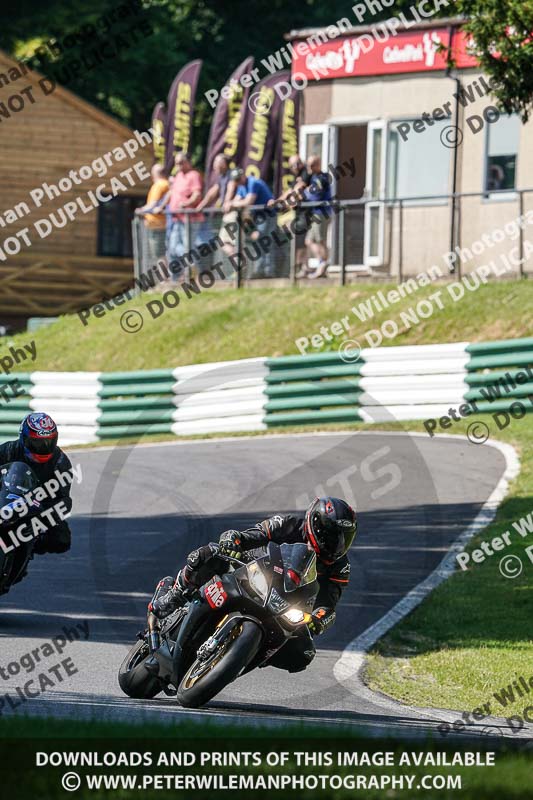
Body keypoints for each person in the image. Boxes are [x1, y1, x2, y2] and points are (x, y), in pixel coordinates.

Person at [150, 496, 356, 674]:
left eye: (344, 538)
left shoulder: (340, 567)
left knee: (303, 653)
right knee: (208, 554)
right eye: (332, 534)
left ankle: (247, 653)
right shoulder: (289, 524)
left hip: (285, 604)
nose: (337, 543)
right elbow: (253, 535)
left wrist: (319, 619)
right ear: (317, 524)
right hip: (252, 571)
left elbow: (329, 602)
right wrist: (234, 540)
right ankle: (175, 594)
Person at [0, 413, 73, 554]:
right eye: (37, 443)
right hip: (6, 500)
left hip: (39, 507)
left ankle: (31, 547)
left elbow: (63, 500)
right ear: (23, 439)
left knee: (61, 540)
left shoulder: (60, 462)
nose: (43, 448)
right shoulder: (7, 451)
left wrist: (41, 521)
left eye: (49, 442)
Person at [228, 168, 275, 278]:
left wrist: (233, 204)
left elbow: (249, 201)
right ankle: (260, 271)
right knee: (259, 241)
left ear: (243, 175)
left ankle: (267, 272)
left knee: (264, 241)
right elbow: (236, 200)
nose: (238, 181)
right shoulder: (241, 186)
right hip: (257, 217)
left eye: (239, 179)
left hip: (267, 215)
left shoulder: (253, 182)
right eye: (236, 180)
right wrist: (233, 203)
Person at [269, 155, 311, 277]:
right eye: (293, 165)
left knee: (302, 242)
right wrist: (276, 201)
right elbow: (289, 192)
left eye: (297, 163)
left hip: (307, 214)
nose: (295, 166)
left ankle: (301, 268)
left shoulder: (305, 174)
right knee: (300, 242)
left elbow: (299, 190)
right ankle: (303, 267)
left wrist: (287, 203)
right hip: (299, 214)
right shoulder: (295, 177)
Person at [167, 152, 206, 280]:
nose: (178, 165)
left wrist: (186, 204)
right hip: (176, 218)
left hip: (190, 219)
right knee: (172, 248)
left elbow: (197, 195)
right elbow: (172, 193)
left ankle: (193, 272)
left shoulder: (193, 175)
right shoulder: (178, 176)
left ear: (188, 162)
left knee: (187, 246)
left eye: (180, 162)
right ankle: (178, 275)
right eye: (176, 163)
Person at [197, 154, 238, 261]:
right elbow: (212, 193)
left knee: (225, 241)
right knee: (227, 242)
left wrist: (227, 202)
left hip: (233, 213)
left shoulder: (231, 175)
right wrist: (201, 205)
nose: (214, 165)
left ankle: (239, 264)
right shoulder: (221, 177)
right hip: (229, 213)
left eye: (216, 162)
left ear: (224, 164)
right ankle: (239, 266)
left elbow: (231, 187)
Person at [303, 155, 332, 279]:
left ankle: (323, 263)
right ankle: (322, 264)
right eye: (308, 164)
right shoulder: (313, 177)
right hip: (317, 213)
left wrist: (304, 193)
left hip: (321, 213)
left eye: (312, 164)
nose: (309, 167)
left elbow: (315, 196)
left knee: (319, 241)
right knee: (310, 241)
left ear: (318, 164)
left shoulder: (321, 178)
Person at [134, 164, 169, 265]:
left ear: (155, 173)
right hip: (159, 224)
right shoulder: (166, 184)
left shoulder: (159, 185)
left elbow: (152, 205)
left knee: (159, 254)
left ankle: (164, 279)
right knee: (161, 253)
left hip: (157, 225)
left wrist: (140, 210)